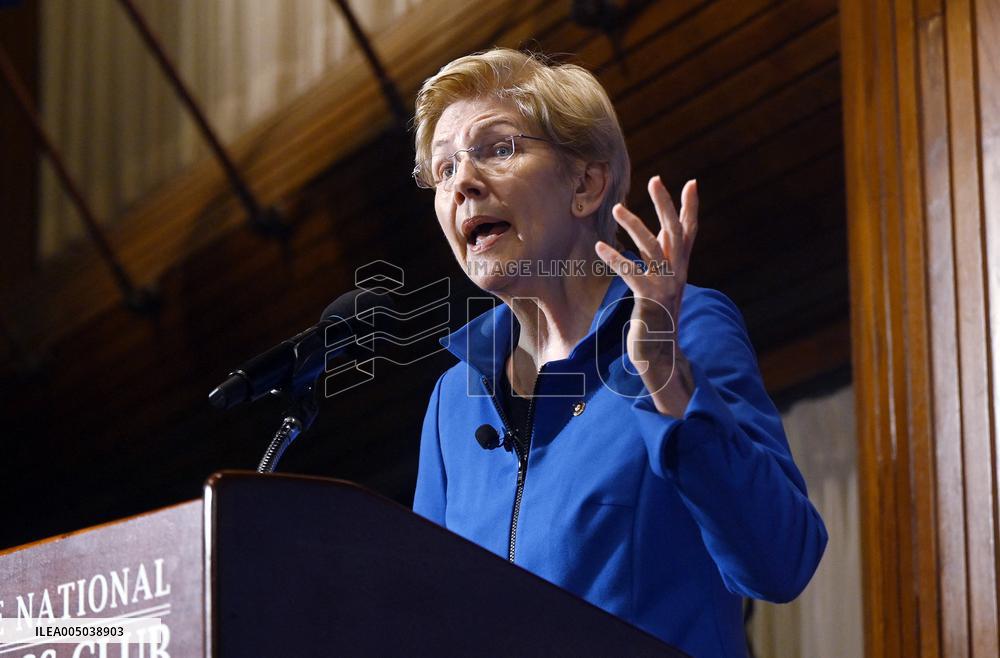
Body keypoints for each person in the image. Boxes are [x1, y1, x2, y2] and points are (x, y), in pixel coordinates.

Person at [410, 48, 826, 657]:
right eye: (444, 168)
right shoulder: (454, 398)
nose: (462, 184)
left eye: (498, 149)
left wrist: (665, 377)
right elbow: (423, 614)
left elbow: (781, 563)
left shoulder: (684, 328)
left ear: (585, 185)